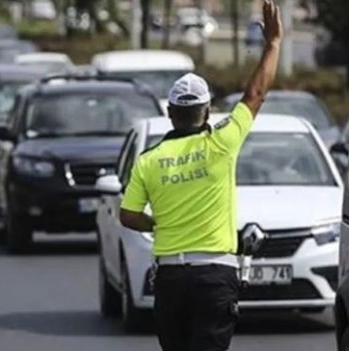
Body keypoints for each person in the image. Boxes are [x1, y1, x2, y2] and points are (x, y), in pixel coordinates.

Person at [118, 1, 283, 350]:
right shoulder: (222, 143)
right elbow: (255, 95)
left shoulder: (150, 160)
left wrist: (159, 224)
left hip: (170, 279)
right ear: (207, 111)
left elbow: (128, 215)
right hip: (214, 276)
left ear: (170, 112)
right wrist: (273, 45)